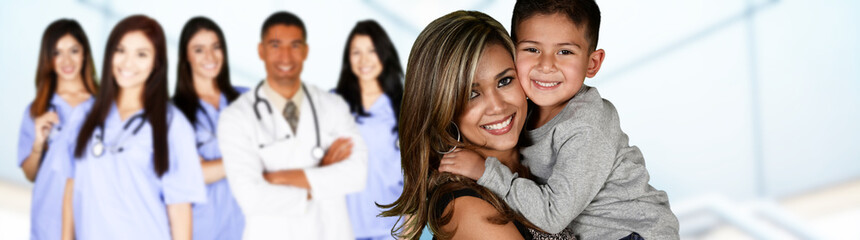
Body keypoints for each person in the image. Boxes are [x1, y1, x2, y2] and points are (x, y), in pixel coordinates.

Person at [439, 0, 680, 239]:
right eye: (532, 50)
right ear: (513, 54)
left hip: (633, 233)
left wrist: (485, 172)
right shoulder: (527, 108)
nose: (546, 66)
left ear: (592, 63)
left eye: (564, 52)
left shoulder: (585, 126)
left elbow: (553, 216)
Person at [379, 10, 576, 240]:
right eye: (471, 94)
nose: (497, 106)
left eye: (504, 81)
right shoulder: (466, 208)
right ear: (443, 110)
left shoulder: (555, 151)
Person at [218, 11, 367, 239]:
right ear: (261, 50)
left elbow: (357, 174)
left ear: (306, 51)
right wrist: (322, 174)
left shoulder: (333, 105)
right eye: (275, 45)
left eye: (295, 45)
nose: (286, 57)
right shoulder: (236, 116)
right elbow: (251, 196)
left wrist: (276, 178)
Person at [63, 15, 206, 240]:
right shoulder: (83, 115)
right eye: (120, 51)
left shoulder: (172, 126)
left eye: (141, 54)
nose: (127, 63)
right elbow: (72, 186)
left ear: (156, 63)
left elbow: (179, 208)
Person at [17, 18, 98, 240]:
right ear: (48, 60)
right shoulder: (37, 110)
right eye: (57, 53)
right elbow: (30, 174)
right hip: (48, 217)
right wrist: (38, 144)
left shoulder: (103, 108)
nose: (67, 60)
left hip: (91, 214)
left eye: (73, 50)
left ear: (85, 54)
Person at [173, 16, 247, 240]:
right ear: (186, 56)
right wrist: (248, 158)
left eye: (216, 47)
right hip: (204, 230)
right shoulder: (174, 112)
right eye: (199, 50)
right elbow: (192, 174)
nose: (210, 57)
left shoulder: (247, 99)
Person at [334, 20, 404, 240]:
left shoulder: (403, 108)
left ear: (384, 54)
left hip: (391, 232)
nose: (364, 60)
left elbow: (415, 182)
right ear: (348, 58)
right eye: (356, 52)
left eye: (371, 51)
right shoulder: (335, 106)